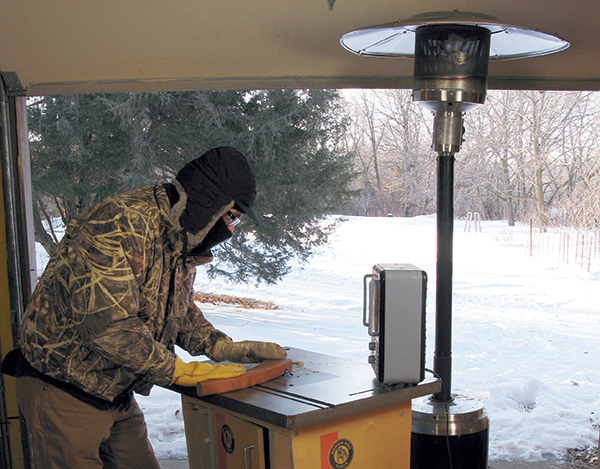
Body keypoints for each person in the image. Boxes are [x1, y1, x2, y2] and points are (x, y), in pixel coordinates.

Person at [1, 146, 286, 468]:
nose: (230, 229)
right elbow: (108, 325)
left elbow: (174, 306)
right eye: (231, 216)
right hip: (63, 388)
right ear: (208, 202)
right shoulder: (119, 224)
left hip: (115, 388)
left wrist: (216, 344)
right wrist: (175, 369)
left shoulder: (176, 235)